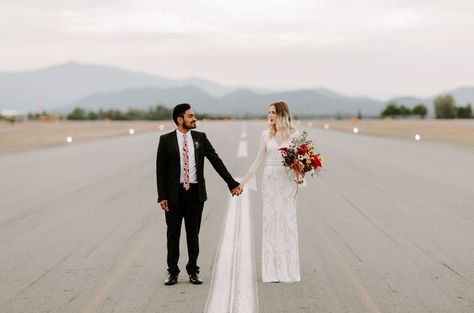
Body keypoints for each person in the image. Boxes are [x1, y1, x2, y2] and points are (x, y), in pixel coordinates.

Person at [156, 103, 243, 286]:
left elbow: (215, 160)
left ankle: (193, 270)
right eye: (190, 116)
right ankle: (172, 272)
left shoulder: (200, 138)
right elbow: (161, 171)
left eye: (194, 116)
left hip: (195, 193)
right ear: (180, 120)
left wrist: (231, 183)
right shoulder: (165, 140)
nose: (194, 119)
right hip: (173, 195)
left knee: (193, 234)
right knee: (173, 234)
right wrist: (162, 196)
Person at [241, 101, 301, 283]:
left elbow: (299, 163)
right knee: (270, 221)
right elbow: (258, 161)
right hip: (269, 182)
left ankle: (289, 269)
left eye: (273, 112)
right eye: (269, 112)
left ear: (282, 114)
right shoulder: (265, 135)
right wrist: (242, 182)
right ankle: (271, 271)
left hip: (287, 182)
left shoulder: (295, 135)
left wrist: (300, 176)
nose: (270, 115)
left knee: (286, 221)